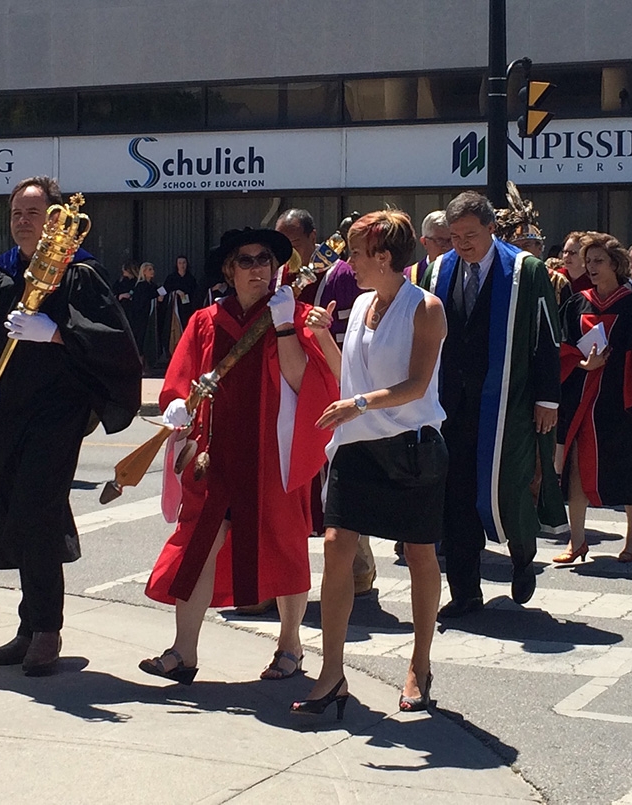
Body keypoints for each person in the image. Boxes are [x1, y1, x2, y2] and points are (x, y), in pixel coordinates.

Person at [0, 176, 142, 676]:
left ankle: (46, 630)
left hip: (58, 413)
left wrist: (57, 333)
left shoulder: (78, 274)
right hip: (8, 411)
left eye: (33, 212)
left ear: (57, 218)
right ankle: (28, 624)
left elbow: (112, 344)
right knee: (15, 511)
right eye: (16, 212)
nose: (23, 221)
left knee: (36, 509)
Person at [140, 228, 339, 684]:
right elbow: (181, 379)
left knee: (286, 545)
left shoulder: (296, 315)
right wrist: (175, 405)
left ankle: (290, 645)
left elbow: (301, 382)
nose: (257, 269)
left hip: (274, 458)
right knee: (198, 547)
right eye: (245, 261)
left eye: (264, 260)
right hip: (215, 455)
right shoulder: (206, 321)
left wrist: (287, 324)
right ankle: (183, 652)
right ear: (229, 271)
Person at [292, 211, 447, 719]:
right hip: (358, 445)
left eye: (356, 253)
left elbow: (416, 386)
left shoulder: (426, 308)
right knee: (336, 547)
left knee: (420, 553)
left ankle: (419, 664)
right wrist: (324, 339)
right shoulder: (359, 303)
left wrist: (356, 406)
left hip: (410, 447)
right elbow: (351, 378)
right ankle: (331, 674)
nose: (348, 261)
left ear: (384, 258)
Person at [429, 191, 564, 618]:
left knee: (510, 490)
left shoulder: (526, 271)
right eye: (454, 236)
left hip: (509, 404)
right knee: (457, 500)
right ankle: (465, 592)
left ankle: (523, 558)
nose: (462, 244)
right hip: (452, 407)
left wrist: (547, 400)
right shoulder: (438, 270)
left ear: (491, 228)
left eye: (470, 234)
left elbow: (547, 340)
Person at [275, 208, 378, 600]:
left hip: (333, 382)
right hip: (289, 385)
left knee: (340, 477)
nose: (290, 254)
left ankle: (359, 566)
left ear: (313, 237)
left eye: (295, 244)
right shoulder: (278, 276)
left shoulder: (339, 273)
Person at [554, 233, 632, 564]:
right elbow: (562, 347)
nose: (590, 267)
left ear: (615, 264)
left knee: (631, 468)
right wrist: (582, 363)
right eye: (587, 260)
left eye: (598, 261)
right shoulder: (576, 304)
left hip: (623, 401)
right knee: (576, 468)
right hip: (583, 400)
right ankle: (577, 540)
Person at [160, 255, 197, 359]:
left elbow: (195, 294)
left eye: (184, 263)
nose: (182, 265)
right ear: (176, 265)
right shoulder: (171, 278)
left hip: (186, 310)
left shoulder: (191, 279)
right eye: (180, 263)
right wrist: (175, 292)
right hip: (173, 310)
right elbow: (164, 291)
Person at [129, 262, 161, 372]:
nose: (152, 272)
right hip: (141, 318)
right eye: (149, 269)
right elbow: (140, 302)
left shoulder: (152, 285)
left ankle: (149, 363)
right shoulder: (141, 286)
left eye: (152, 269)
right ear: (144, 272)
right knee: (140, 340)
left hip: (150, 318)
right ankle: (140, 365)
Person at [410, 210, 451, 289]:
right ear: (424, 242)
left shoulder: (463, 273)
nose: (447, 246)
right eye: (440, 240)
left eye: (451, 240)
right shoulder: (410, 276)